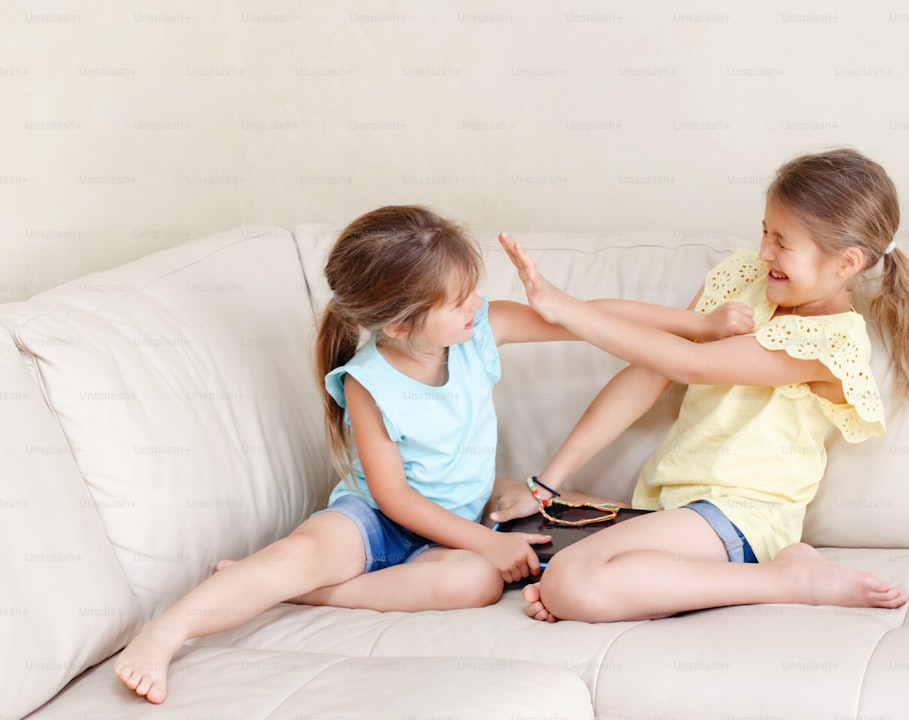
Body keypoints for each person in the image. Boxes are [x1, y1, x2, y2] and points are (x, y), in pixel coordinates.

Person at [113, 205, 740, 704]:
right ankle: (168, 631)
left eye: (473, 292)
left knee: (471, 581)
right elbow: (391, 497)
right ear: (401, 325)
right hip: (375, 520)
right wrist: (488, 541)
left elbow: (588, 318)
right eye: (459, 300)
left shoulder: (478, 334)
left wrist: (699, 327)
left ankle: (310, 593)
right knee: (305, 552)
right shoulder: (367, 382)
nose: (477, 306)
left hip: (451, 527)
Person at [495, 148, 909, 623]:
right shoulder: (745, 278)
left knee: (568, 581)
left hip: (744, 520)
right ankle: (616, 578)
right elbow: (648, 371)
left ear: (846, 263)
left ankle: (790, 579)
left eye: (783, 241)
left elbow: (690, 364)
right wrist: (544, 485)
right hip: (667, 510)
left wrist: (570, 311)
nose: (765, 251)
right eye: (765, 230)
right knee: (500, 520)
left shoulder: (831, 342)